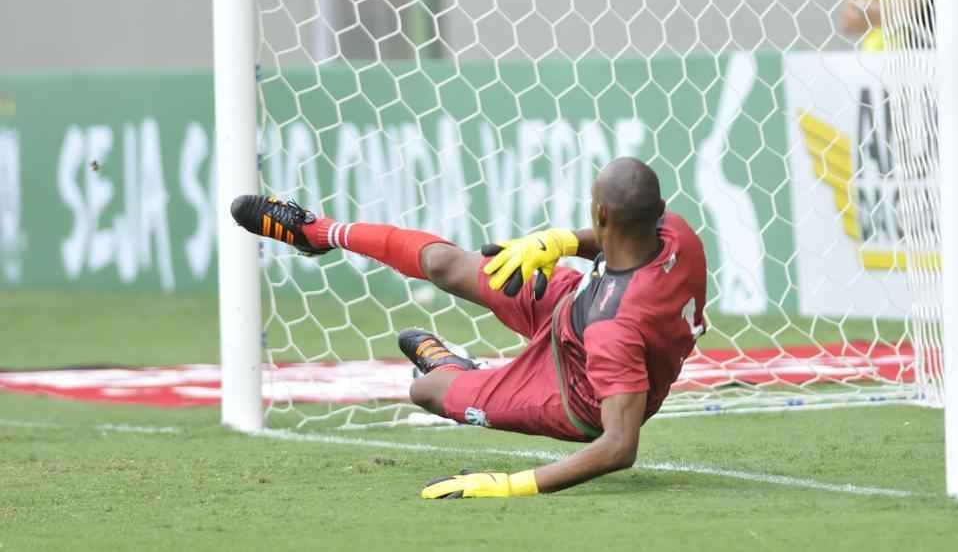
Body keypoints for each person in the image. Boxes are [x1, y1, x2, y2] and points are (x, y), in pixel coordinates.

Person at [231, 156, 708, 499]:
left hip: (571, 391)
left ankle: (459, 370)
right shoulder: (677, 233)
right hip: (577, 306)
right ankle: (318, 232)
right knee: (445, 263)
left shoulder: (616, 326)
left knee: (428, 392)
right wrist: (558, 241)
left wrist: (513, 485)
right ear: (660, 208)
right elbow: (624, 237)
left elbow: (619, 445)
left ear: (600, 213)